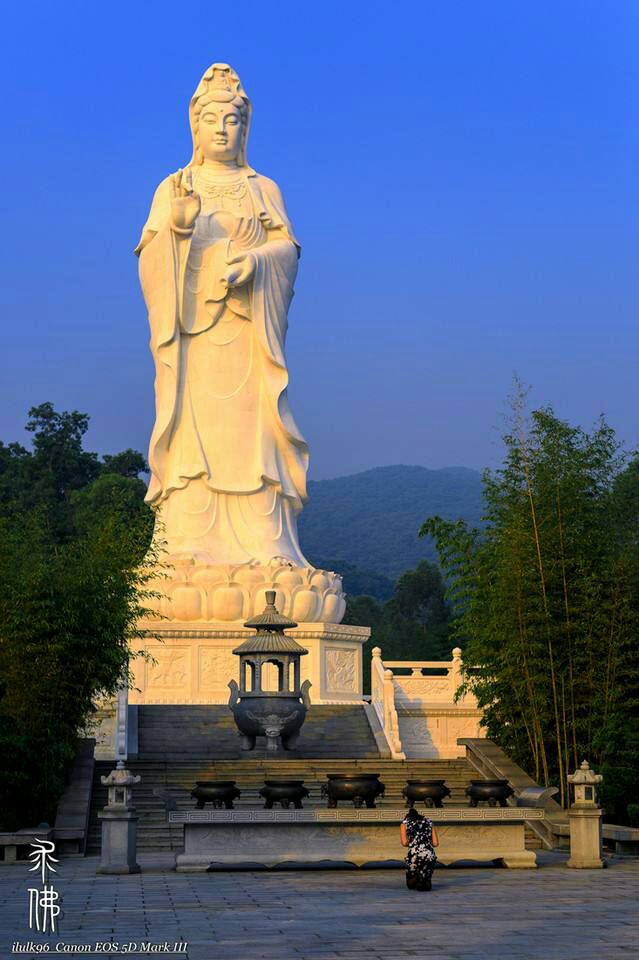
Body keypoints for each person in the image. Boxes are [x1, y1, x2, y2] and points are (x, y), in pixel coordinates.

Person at [135, 63, 310, 567]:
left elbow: (288, 251)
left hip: (249, 335)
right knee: (195, 444)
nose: (221, 129)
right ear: (195, 126)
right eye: (211, 119)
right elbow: (149, 259)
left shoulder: (263, 189)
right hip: (195, 341)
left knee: (255, 441)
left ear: (245, 129)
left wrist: (257, 263)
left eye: (232, 120)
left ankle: (267, 539)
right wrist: (178, 230)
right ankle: (186, 537)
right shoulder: (174, 187)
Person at [400, 807, 439, 891]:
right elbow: (435, 843)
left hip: (415, 856)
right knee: (426, 883)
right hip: (429, 855)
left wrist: (413, 842)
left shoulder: (404, 823)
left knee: (411, 885)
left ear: (407, 817)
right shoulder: (429, 822)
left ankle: (417, 876)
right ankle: (424, 878)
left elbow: (404, 843)